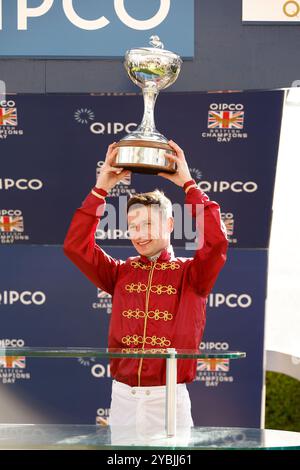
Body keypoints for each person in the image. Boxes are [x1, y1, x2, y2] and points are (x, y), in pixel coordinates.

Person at [63, 139, 228, 436]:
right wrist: (100, 188)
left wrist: (189, 185)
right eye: (133, 225)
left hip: (169, 399)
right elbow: (76, 246)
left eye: (148, 224)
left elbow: (216, 242)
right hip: (123, 397)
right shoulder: (120, 272)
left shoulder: (193, 274)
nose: (139, 234)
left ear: (169, 224)